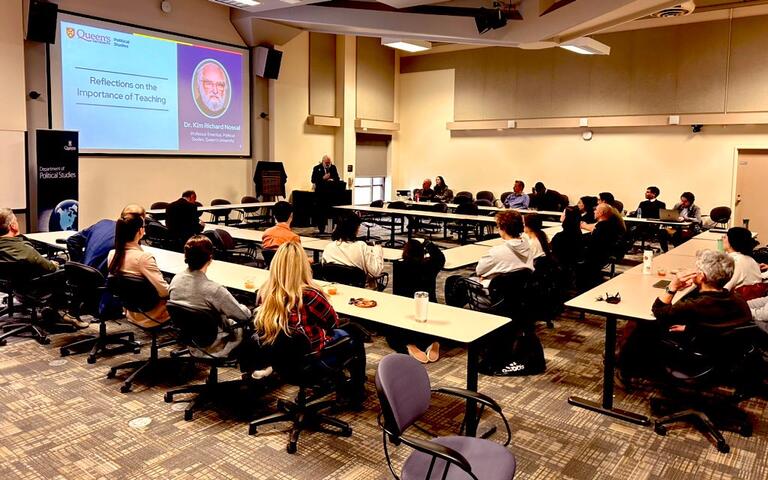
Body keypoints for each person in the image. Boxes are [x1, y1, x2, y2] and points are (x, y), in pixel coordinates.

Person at [253, 242, 367, 406]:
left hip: (282, 362)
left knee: (348, 329)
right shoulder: (309, 294)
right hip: (311, 360)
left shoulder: (264, 293)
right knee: (354, 335)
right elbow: (333, 323)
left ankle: (340, 383)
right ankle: (356, 392)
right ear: (302, 267)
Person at [618, 250, 752, 381]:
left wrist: (673, 287)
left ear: (702, 276)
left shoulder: (694, 306)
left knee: (645, 323)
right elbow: (719, 326)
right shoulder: (738, 300)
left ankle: (625, 367)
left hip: (695, 357)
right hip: (724, 354)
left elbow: (659, 310)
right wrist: (690, 328)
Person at [0, 208, 87, 328]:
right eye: (16, 220)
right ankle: (63, 314)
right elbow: (51, 268)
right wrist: (54, 263)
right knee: (65, 268)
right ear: (13, 226)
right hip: (33, 287)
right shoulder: (25, 250)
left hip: (11, 285)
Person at [169, 235, 251, 358]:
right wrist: (246, 307)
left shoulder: (175, 279)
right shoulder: (215, 290)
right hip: (214, 343)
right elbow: (243, 317)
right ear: (210, 258)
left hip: (190, 338)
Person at [107, 213, 170, 328]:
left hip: (131, 312)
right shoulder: (143, 258)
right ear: (140, 231)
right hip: (152, 315)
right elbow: (165, 292)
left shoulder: (112, 254)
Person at [389, 240, 445, 363]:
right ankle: (433, 341)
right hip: (428, 313)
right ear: (422, 253)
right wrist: (428, 243)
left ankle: (409, 345)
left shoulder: (399, 267)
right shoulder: (430, 266)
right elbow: (440, 258)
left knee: (390, 332)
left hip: (406, 315)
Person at [67, 204, 146, 274]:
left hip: (82, 279)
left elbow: (72, 240)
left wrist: (80, 266)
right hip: (101, 283)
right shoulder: (128, 238)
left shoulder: (103, 223)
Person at [322, 212, 384, 287]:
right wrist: (378, 250)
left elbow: (324, 268)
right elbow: (375, 271)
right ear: (356, 228)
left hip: (334, 289)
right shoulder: (361, 247)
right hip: (360, 292)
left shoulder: (329, 247)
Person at [580, 203, 626, 287]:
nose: (594, 211)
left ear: (601, 213)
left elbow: (593, 244)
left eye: (596, 210)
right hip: (607, 252)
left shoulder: (602, 227)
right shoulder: (610, 223)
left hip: (599, 255)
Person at [722, 227, 764, 293]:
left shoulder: (736, 262)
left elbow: (725, 289)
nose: (722, 238)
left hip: (742, 300)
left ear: (732, 242)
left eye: (725, 237)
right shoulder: (751, 259)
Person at [311, 155, 341, 234]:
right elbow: (313, 180)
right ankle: (322, 229)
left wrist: (332, 179)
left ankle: (333, 228)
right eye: (326, 163)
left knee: (333, 212)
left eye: (329, 163)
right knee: (321, 213)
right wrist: (323, 178)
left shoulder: (333, 168)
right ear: (323, 162)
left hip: (331, 194)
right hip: (320, 195)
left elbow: (337, 178)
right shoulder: (317, 168)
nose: (328, 164)